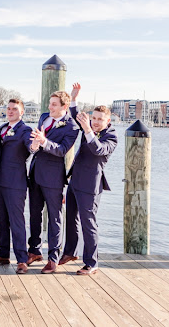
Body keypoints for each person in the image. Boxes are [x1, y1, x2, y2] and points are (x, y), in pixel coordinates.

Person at [59, 83, 118, 275]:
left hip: (90, 186)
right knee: (71, 219)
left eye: (100, 119)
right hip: (75, 180)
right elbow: (76, 114)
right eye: (94, 118)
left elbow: (98, 149)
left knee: (88, 224)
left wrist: (88, 129)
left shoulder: (111, 137)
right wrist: (74, 98)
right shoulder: (88, 127)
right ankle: (70, 252)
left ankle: (92, 263)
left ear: (108, 121)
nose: (96, 121)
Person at [28, 90, 79, 274]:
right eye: (50, 103)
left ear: (64, 107)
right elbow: (34, 141)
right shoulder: (43, 117)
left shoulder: (72, 127)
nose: (50, 107)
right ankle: (34, 250)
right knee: (34, 214)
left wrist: (44, 141)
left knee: (55, 218)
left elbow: (61, 150)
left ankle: (53, 258)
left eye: (54, 104)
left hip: (53, 177)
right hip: (34, 173)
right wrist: (33, 145)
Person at [0, 99, 33, 274]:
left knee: (17, 221)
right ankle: (2, 253)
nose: (10, 111)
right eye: (8, 109)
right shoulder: (1, 128)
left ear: (21, 112)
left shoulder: (25, 130)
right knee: (1, 219)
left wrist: (35, 145)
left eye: (14, 109)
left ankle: (22, 259)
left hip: (15, 183)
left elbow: (30, 145)